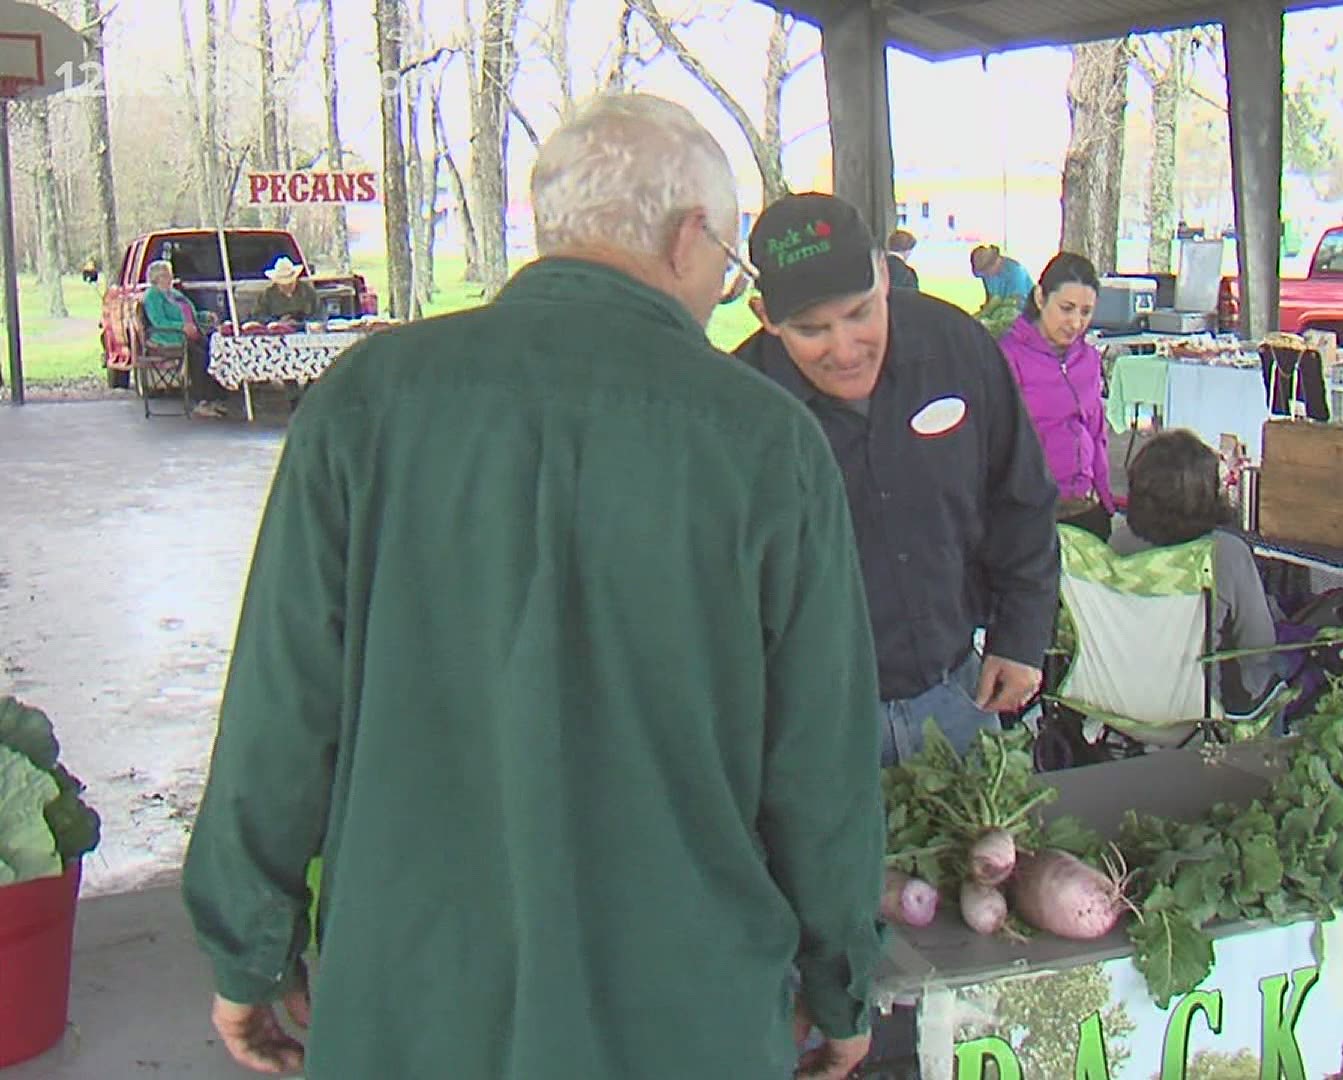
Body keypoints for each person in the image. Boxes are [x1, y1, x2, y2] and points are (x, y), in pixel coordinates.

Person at [181, 94, 884, 1080]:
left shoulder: (366, 404)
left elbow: (278, 710)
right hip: (686, 1014)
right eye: (728, 271)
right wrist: (840, 981)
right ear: (692, 238)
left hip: (411, 1009)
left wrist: (247, 954)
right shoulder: (769, 444)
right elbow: (820, 765)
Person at [736, 193, 1061, 768]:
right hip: (814, 732)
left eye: (860, 313)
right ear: (766, 317)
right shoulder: (739, 412)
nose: (845, 349)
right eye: (812, 329)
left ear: (884, 277)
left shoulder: (956, 348)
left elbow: (1021, 498)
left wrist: (1020, 637)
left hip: (958, 695)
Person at [1109, 429, 1286, 714]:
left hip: (1116, 702)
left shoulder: (1119, 542)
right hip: (1196, 712)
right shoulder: (1226, 554)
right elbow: (1259, 645)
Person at [997, 252, 1114, 540]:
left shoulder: (1089, 361)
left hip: (1085, 511)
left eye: (1085, 312)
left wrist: (1106, 499)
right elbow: (995, 444)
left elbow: (1096, 433)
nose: (1075, 323)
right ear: (1040, 298)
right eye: (1066, 308)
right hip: (1029, 514)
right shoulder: (1007, 357)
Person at [141, 260, 226, 418]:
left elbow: (189, 314)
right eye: (166, 275)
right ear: (156, 278)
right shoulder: (153, 295)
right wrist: (182, 327)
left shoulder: (174, 293)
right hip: (169, 336)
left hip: (191, 333)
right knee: (199, 357)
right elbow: (159, 321)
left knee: (215, 349)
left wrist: (204, 316)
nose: (170, 278)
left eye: (170, 274)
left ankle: (214, 396)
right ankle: (200, 401)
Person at [970, 244, 1035, 312]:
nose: (986, 276)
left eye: (986, 272)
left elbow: (1018, 302)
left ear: (995, 263)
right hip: (1002, 312)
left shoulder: (1016, 271)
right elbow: (990, 299)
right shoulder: (987, 275)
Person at [255, 256, 320, 323]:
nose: (287, 287)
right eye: (283, 285)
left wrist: (301, 322)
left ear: (295, 279)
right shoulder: (267, 295)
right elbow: (259, 316)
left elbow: (319, 314)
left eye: (290, 284)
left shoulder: (308, 292)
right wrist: (277, 322)